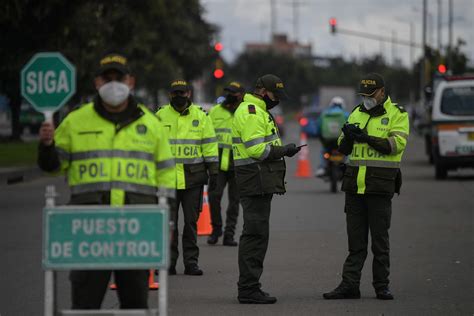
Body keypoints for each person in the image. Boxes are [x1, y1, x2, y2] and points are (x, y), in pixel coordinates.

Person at [37, 53, 176, 309]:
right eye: (107, 78)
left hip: (135, 229)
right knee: (85, 305)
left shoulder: (150, 123)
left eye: (119, 78)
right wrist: (46, 146)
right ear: (97, 83)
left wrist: (166, 220)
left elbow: (167, 173)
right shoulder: (76, 121)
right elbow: (54, 166)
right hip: (90, 229)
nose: (114, 84)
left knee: (135, 305)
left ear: (131, 81)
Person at [323, 73, 409, 300]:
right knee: (356, 242)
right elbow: (342, 148)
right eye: (363, 95)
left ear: (382, 91)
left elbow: (395, 145)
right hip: (354, 186)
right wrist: (350, 138)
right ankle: (350, 285)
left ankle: (382, 285)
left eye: (370, 95)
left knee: (380, 242)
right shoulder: (355, 113)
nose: (366, 99)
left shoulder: (397, 114)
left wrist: (366, 137)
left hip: (379, 187)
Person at [232, 74, 301, 304]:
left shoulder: (259, 110)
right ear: (263, 92)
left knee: (258, 233)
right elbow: (256, 150)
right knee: (255, 234)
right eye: (275, 95)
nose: (277, 99)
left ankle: (250, 286)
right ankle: (249, 289)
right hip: (254, 179)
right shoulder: (251, 112)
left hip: (258, 180)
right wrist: (284, 150)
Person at [156, 79, 219, 276]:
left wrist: (214, 171)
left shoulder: (201, 117)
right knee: (169, 224)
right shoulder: (159, 116)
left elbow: (209, 145)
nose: (179, 97)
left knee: (191, 223)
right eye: (175, 93)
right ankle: (169, 263)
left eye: (182, 93)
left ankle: (191, 263)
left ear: (189, 94)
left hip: (193, 179)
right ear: (170, 95)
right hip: (167, 180)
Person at [207, 81, 245, 246]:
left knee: (234, 201)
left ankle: (229, 234)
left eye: (233, 92)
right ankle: (216, 229)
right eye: (228, 92)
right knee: (214, 197)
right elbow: (207, 135)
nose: (230, 95)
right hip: (218, 161)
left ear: (241, 95)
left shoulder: (245, 112)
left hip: (238, 161)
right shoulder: (215, 111)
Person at [315, 96, 350, 177]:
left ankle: (322, 168)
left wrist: (320, 137)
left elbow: (319, 127)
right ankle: (348, 166)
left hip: (328, 140)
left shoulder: (325, 114)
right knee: (348, 151)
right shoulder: (346, 114)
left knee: (323, 151)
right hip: (341, 141)